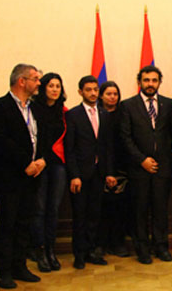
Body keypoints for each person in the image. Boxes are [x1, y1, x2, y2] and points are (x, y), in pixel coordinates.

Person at [0, 64, 45, 289]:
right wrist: (25, 163)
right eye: (35, 79)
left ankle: (20, 266)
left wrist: (41, 160)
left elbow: (42, 136)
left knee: (25, 223)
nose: (38, 83)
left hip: (33, 175)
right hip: (9, 177)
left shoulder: (35, 108)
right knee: (6, 224)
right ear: (21, 81)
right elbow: (1, 141)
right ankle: (3, 271)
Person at [119, 65, 172, 264]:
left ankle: (161, 246)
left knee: (161, 209)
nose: (150, 84)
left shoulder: (168, 104)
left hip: (163, 167)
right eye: (146, 80)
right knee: (140, 210)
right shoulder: (127, 105)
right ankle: (142, 248)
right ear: (139, 82)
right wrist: (141, 159)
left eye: (154, 80)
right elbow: (125, 138)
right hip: (138, 168)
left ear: (159, 82)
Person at [65, 75, 117, 269]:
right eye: (89, 90)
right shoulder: (73, 115)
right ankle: (79, 254)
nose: (93, 93)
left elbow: (108, 147)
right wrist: (74, 175)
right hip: (80, 174)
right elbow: (69, 148)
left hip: (99, 173)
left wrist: (110, 172)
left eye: (95, 89)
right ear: (80, 92)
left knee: (95, 215)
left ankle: (92, 251)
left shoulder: (104, 114)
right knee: (80, 215)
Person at [28, 72, 67, 273]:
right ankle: (39, 249)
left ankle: (51, 250)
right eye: (50, 85)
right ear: (43, 88)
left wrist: (48, 159)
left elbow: (65, 141)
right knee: (39, 209)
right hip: (38, 164)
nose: (54, 89)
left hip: (57, 164)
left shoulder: (63, 111)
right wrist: (41, 159)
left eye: (58, 86)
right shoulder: (32, 109)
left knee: (53, 209)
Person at [97, 81, 131, 257]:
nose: (112, 97)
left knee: (120, 208)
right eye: (108, 93)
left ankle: (118, 243)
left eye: (115, 94)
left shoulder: (124, 114)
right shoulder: (95, 113)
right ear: (101, 95)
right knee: (101, 208)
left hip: (122, 168)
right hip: (99, 168)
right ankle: (100, 243)